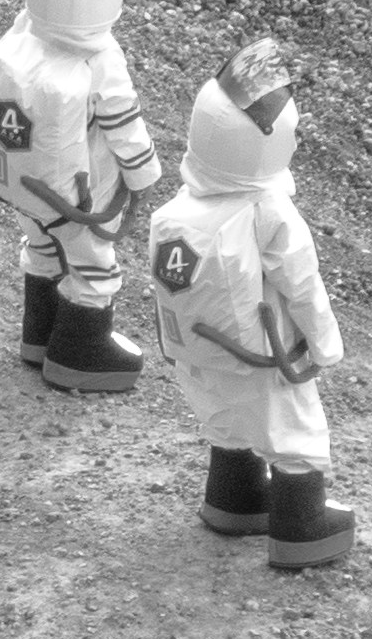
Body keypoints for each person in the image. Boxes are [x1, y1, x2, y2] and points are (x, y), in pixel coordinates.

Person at [150, 37, 357, 569]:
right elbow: (303, 286)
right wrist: (326, 346)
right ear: (271, 143)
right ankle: (301, 529)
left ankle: (233, 499)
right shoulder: (269, 211)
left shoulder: (178, 208)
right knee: (296, 432)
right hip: (266, 358)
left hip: (196, 353)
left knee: (226, 422)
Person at [0, 0, 164, 393]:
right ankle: (81, 352)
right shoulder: (101, 57)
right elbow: (123, 125)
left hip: (22, 182)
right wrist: (143, 176)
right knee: (90, 262)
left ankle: (39, 336)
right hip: (79, 195)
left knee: (43, 247)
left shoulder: (24, 27)